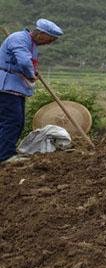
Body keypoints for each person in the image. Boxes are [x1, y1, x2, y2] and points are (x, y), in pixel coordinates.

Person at [0, 19, 63, 163]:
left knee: (17, 121)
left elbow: (28, 62)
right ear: (41, 34)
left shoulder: (31, 44)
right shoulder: (19, 38)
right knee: (12, 120)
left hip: (15, 87)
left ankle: (6, 151)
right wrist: (31, 74)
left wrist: (32, 71)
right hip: (6, 87)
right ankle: (4, 156)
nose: (50, 42)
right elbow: (23, 62)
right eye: (50, 39)